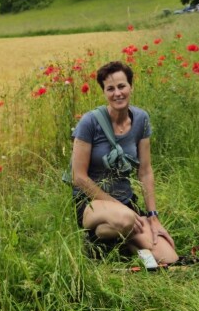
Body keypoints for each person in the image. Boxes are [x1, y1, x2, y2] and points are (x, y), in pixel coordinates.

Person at [71, 59, 178, 264]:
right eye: (110, 88)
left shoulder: (141, 119)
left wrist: (153, 217)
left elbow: (145, 171)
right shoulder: (89, 122)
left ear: (131, 86)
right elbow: (79, 177)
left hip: (126, 203)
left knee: (169, 257)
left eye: (121, 86)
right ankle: (114, 240)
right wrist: (119, 208)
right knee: (126, 220)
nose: (117, 93)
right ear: (104, 92)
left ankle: (106, 241)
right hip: (90, 204)